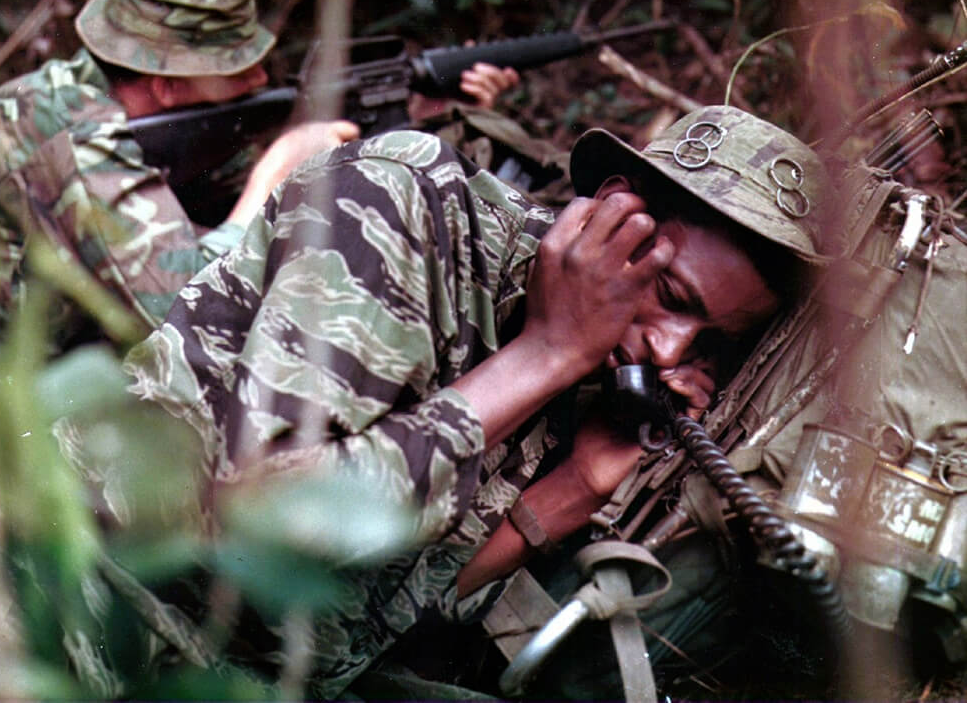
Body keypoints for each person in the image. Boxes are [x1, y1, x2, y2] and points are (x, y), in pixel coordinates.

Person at [122, 103, 829, 698]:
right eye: (673, 297)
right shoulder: (403, 201)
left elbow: (363, 625)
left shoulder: (587, 378)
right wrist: (543, 356)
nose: (671, 352)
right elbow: (261, 535)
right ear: (612, 211)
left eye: (709, 343)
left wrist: (573, 485)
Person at [0, 0, 518, 348]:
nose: (262, 77)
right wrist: (275, 173)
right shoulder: (62, 134)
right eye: (239, 68)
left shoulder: (138, 117)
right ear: (168, 86)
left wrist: (414, 120)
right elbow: (180, 309)